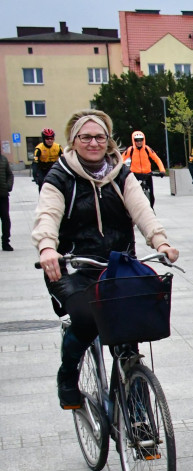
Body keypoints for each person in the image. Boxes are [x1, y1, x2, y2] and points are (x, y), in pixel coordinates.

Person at [32, 109, 179, 408]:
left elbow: (142, 211)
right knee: (87, 320)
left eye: (100, 137)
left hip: (117, 266)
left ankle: (139, 416)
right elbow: (47, 214)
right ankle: (68, 373)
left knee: (129, 331)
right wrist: (48, 248)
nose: (93, 143)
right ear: (74, 141)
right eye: (85, 137)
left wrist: (160, 242)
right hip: (74, 268)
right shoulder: (60, 176)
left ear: (108, 141)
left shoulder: (120, 174)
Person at [122, 130, 166, 208]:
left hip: (147, 174)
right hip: (135, 174)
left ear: (143, 140)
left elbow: (157, 159)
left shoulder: (147, 149)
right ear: (133, 141)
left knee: (151, 195)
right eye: (136, 140)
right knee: (133, 194)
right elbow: (121, 159)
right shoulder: (130, 150)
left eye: (141, 140)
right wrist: (122, 170)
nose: (139, 142)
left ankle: (151, 210)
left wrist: (162, 170)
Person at [0, 152, 12, 251]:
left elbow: (10, 174)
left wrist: (8, 186)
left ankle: (5, 242)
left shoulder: (3, 159)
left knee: (5, 219)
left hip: (3, 195)